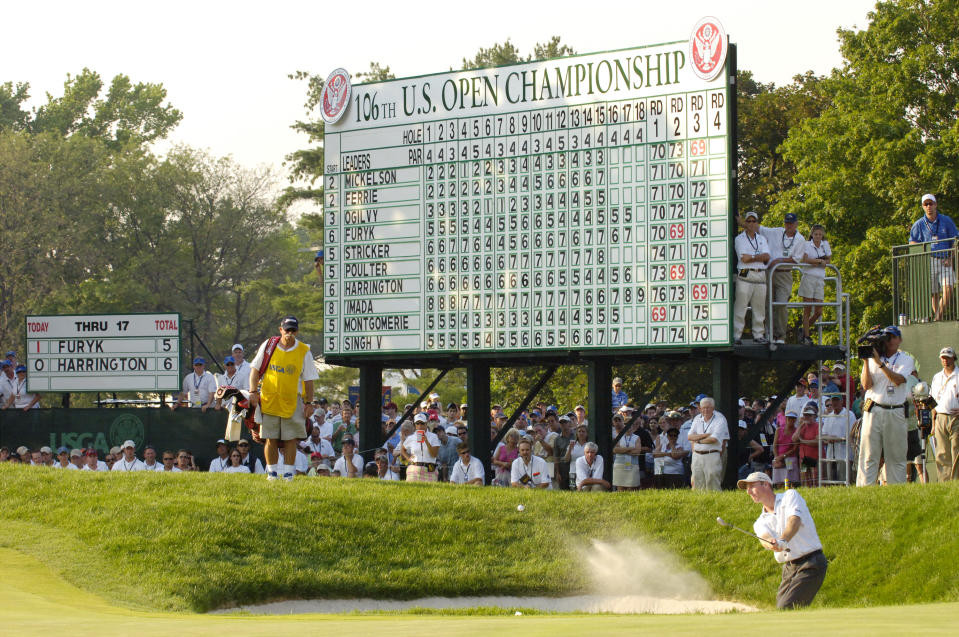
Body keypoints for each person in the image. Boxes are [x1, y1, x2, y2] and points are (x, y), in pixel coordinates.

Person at [739, 472, 827, 609]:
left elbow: (794, 521)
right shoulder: (759, 522)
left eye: (751, 486)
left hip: (811, 562)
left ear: (766, 484)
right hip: (789, 568)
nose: (748, 491)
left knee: (786, 607)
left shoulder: (790, 496)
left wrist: (783, 540)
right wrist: (770, 543)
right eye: (746, 488)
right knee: (782, 609)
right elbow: (765, 537)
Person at [248, 316, 318, 481]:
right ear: (281, 330)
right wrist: (252, 391)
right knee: (270, 438)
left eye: (293, 330)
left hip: (292, 401)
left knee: (291, 439)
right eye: (287, 330)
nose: (290, 333)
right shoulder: (269, 345)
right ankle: (272, 473)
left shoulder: (303, 350)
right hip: (269, 399)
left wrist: (309, 403)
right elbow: (255, 370)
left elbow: (309, 380)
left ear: (297, 331)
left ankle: (288, 474)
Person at [857, 326, 915, 486]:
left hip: (895, 410)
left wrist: (880, 364)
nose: (889, 340)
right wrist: (867, 362)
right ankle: (864, 490)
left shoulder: (905, 359)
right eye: (887, 337)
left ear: (900, 340)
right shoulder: (873, 357)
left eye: (893, 337)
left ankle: (896, 489)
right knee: (868, 454)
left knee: (896, 455)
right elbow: (866, 384)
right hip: (873, 408)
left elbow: (898, 380)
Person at [754, 211, 806, 343]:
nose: (789, 226)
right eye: (787, 223)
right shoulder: (777, 232)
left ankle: (780, 335)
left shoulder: (800, 239)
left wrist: (778, 261)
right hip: (769, 272)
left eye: (791, 223)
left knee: (781, 304)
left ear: (796, 224)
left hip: (784, 273)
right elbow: (758, 228)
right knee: (767, 304)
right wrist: (741, 221)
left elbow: (796, 260)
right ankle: (769, 334)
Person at [909, 194, 958, 321]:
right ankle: (939, 320)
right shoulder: (919, 224)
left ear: (936, 204)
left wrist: (950, 257)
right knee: (933, 293)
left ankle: (937, 317)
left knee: (948, 288)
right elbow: (912, 241)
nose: (929, 206)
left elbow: (955, 240)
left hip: (944, 260)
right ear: (923, 207)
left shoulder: (946, 220)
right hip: (928, 261)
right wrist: (922, 252)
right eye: (926, 204)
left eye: (931, 203)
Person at [733, 211, 771, 344]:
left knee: (759, 308)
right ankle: (736, 335)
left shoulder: (761, 239)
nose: (751, 223)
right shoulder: (740, 238)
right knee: (741, 306)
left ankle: (758, 335)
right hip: (745, 273)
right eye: (748, 221)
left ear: (757, 223)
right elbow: (744, 258)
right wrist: (757, 257)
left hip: (760, 273)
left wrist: (753, 257)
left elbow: (767, 256)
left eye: (754, 221)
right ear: (745, 223)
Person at [798, 224, 832, 345]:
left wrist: (823, 261)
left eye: (820, 234)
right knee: (807, 309)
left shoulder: (825, 245)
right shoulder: (807, 245)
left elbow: (828, 260)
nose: (818, 236)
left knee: (819, 311)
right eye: (816, 234)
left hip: (819, 279)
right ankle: (806, 336)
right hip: (809, 278)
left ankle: (803, 330)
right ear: (812, 235)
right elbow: (805, 259)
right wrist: (819, 261)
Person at [687, 397, 729, 490]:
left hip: (712, 454)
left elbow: (714, 439)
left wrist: (697, 440)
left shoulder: (720, 418)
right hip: (697, 455)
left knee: (713, 482)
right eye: (703, 407)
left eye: (708, 407)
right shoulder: (697, 418)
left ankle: (715, 503)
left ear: (713, 408)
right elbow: (689, 437)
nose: (706, 410)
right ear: (700, 408)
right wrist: (706, 435)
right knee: (696, 482)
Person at [931, 346, 959, 481]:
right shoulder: (937, 377)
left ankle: (956, 482)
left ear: (953, 358)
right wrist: (933, 422)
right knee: (941, 452)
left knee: (956, 451)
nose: (945, 360)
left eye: (948, 357)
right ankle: (945, 482)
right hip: (940, 417)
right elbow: (932, 401)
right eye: (943, 358)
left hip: (956, 418)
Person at [401, 413, 440, 482]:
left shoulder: (433, 437)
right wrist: (409, 458)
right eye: (417, 423)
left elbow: (434, 454)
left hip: (429, 470)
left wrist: (426, 441)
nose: (420, 426)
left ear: (426, 423)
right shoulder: (411, 437)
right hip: (414, 469)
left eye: (422, 423)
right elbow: (403, 449)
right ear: (414, 425)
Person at [792, 405, 821, 487]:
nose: (807, 417)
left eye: (809, 415)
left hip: (813, 457)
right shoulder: (802, 426)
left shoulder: (817, 426)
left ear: (814, 416)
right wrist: (800, 426)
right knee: (804, 478)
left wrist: (803, 441)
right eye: (805, 415)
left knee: (814, 478)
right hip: (803, 457)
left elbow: (817, 442)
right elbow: (794, 439)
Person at [612, 414, 642, 490]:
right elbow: (615, 450)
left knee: (631, 488)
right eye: (626, 424)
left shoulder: (637, 438)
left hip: (632, 465)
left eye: (630, 424)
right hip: (620, 465)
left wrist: (622, 450)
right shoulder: (618, 436)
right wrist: (630, 448)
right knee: (620, 487)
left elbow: (637, 452)